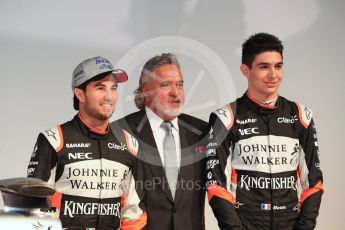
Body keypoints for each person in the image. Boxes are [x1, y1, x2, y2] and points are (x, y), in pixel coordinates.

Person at [206, 33, 324, 229]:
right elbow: (216, 186)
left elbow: (314, 183)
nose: (273, 75)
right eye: (264, 67)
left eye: (278, 66)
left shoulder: (301, 115)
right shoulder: (225, 118)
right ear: (245, 69)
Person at [27, 56, 147, 230]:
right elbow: (33, 207)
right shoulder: (54, 139)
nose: (109, 96)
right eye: (100, 88)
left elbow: (134, 213)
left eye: (113, 88)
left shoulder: (129, 144)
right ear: (80, 94)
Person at [112, 53, 208, 230]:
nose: (176, 92)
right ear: (146, 90)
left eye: (179, 84)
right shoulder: (120, 132)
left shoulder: (202, 132)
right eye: (166, 85)